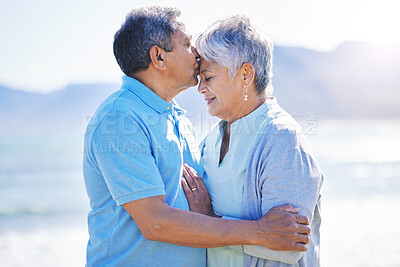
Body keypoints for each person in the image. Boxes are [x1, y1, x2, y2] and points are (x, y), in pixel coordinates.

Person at [83, 6, 311, 267]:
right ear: (158, 57)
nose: (196, 54)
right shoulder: (119, 119)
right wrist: (259, 231)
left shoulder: (177, 117)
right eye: (187, 44)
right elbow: (155, 222)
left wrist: (210, 215)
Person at [181, 15, 323, 266]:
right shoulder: (210, 142)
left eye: (209, 77)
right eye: (200, 78)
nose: (200, 88)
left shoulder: (282, 139)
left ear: (246, 74)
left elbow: (287, 248)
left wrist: (207, 219)